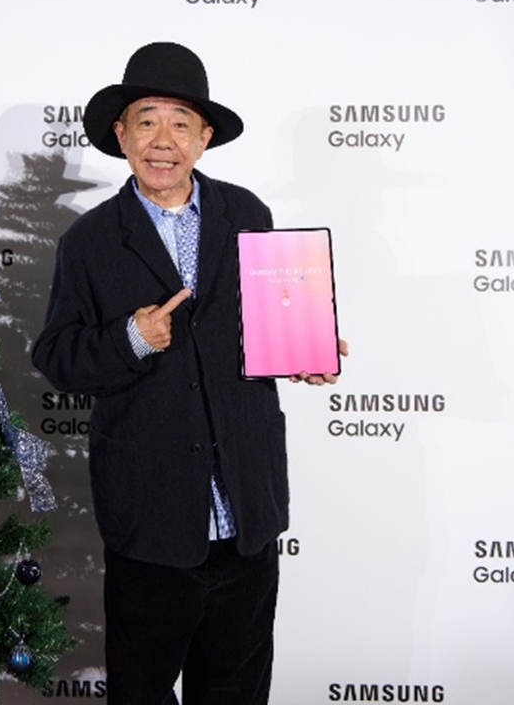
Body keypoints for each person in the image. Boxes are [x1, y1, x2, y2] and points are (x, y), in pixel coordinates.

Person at [32, 41, 345, 704]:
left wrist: (303, 352)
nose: (163, 140)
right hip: (151, 521)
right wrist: (131, 338)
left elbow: (261, 326)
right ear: (121, 134)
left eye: (181, 122)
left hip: (245, 512)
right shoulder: (88, 241)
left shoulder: (247, 215)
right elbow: (56, 357)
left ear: (204, 137)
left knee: (236, 690)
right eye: (147, 121)